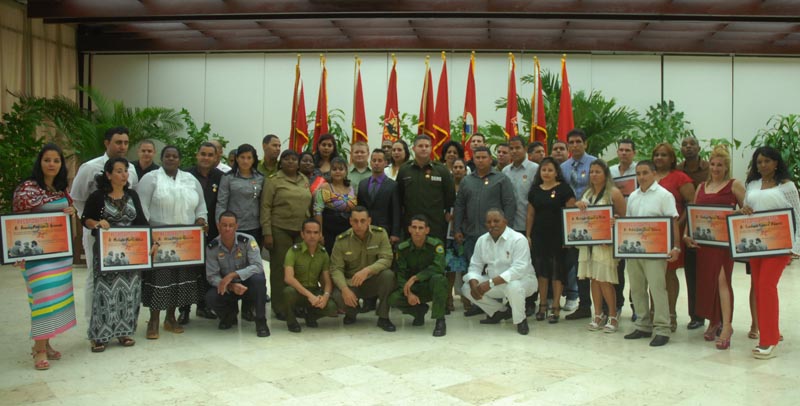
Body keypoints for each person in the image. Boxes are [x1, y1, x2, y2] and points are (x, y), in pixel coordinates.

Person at [12, 144, 77, 370]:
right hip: (36, 256)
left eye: (56, 161)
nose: (52, 164)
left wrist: (71, 211)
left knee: (56, 299)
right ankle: (38, 349)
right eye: (47, 160)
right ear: (40, 162)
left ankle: (46, 342)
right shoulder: (26, 190)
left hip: (59, 253)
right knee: (43, 299)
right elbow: (17, 224)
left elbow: (67, 214)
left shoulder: (61, 190)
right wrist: (16, 253)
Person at [137, 145, 208, 339]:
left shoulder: (190, 179)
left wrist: (202, 219)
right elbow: (141, 208)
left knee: (179, 280)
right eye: (167, 156)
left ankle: (170, 317)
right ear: (161, 158)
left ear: (180, 160)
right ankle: (153, 320)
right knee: (160, 279)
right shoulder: (150, 179)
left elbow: (201, 205)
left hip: (185, 240)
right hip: (159, 239)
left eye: (174, 156)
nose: (170, 159)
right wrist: (148, 233)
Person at [71, 127, 139, 321]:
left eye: (126, 142)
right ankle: (94, 323)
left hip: (124, 237)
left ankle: (119, 321)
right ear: (107, 143)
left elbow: (132, 200)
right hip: (96, 233)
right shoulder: (90, 167)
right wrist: (93, 221)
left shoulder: (131, 169)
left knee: (122, 277)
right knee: (96, 277)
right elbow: (77, 198)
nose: (122, 146)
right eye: (118, 142)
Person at [81, 157, 149, 352]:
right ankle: (99, 336)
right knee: (104, 292)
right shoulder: (98, 197)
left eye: (125, 170)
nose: (123, 174)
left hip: (131, 254)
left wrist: (150, 243)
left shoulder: (132, 196)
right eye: (118, 171)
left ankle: (124, 331)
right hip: (106, 254)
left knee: (130, 292)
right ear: (108, 174)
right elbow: (86, 219)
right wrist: (97, 224)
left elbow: (141, 222)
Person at [740, 146, 800, 359]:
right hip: (756, 245)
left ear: (776, 163)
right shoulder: (753, 185)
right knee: (759, 288)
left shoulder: (787, 186)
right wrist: (743, 210)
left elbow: (798, 217)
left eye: (766, 161)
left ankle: (768, 340)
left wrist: (796, 247)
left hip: (779, 246)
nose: (762, 165)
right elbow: (746, 210)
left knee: (766, 287)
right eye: (759, 162)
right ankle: (771, 330)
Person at [683, 145, 745, 350]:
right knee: (707, 283)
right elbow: (693, 214)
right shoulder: (701, 187)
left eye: (720, 165)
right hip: (704, 244)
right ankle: (713, 321)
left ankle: (727, 326)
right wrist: (686, 235)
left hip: (723, 245)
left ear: (726, 167)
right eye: (713, 164)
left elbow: (747, 212)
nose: (716, 168)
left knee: (722, 281)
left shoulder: (734, 185)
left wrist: (732, 215)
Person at [624, 160, 681, 347]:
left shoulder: (665, 195)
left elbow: (673, 222)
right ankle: (642, 325)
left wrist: (676, 247)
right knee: (637, 288)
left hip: (657, 251)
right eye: (638, 173)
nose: (641, 177)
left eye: (645, 173)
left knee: (657, 289)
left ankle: (662, 328)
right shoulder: (632, 196)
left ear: (654, 174)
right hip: (635, 251)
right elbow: (629, 224)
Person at [463, 208, 537, 335]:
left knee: (514, 286)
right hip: (496, 283)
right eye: (489, 222)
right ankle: (500, 312)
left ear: (505, 221)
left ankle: (520, 320)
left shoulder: (518, 239)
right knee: (466, 288)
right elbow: (475, 266)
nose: (492, 225)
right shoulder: (482, 240)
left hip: (524, 281)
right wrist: (474, 284)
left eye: (496, 221)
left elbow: (518, 270)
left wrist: (490, 283)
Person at [260, 149, 312, 320]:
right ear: (281, 162)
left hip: (300, 230)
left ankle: (296, 304)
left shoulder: (304, 179)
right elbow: (265, 207)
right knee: (280, 268)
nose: (291, 162)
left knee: (299, 268)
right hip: (279, 228)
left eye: (294, 159)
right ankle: (280, 306)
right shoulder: (273, 180)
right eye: (287, 159)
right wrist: (267, 232)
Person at [215, 143, 265, 322]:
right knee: (229, 267)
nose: (245, 161)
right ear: (236, 159)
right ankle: (230, 310)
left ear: (254, 160)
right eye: (242, 157)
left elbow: (263, 204)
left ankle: (248, 308)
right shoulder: (228, 178)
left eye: (249, 158)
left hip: (253, 228)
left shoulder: (260, 178)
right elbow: (221, 203)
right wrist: (221, 226)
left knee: (250, 270)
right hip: (232, 229)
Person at [576, 160, 626, 333]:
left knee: (605, 280)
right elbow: (579, 217)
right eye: (591, 172)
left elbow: (623, 217)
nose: (594, 175)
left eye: (598, 171)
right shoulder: (587, 193)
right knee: (593, 279)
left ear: (605, 174)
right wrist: (578, 206)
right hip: (588, 243)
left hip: (606, 244)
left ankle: (612, 315)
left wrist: (616, 220)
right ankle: (597, 314)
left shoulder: (613, 192)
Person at [652, 142, 696, 332]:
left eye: (664, 155)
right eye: (657, 155)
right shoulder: (649, 176)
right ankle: (655, 312)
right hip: (651, 235)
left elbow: (691, 203)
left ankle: (670, 313)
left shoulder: (680, 177)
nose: (659, 158)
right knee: (652, 274)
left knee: (668, 274)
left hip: (673, 234)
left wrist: (679, 223)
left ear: (671, 158)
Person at [330, 206, 396, 331]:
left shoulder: (380, 234)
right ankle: (352, 312)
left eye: (362, 220)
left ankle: (383, 317)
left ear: (369, 221)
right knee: (337, 295)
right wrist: (344, 289)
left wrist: (367, 271)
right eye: (355, 221)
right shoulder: (341, 240)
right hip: (352, 284)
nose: (359, 224)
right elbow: (336, 269)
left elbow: (387, 259)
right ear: (350, 221)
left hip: (372, 281)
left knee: (388, 276)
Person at [526, 157, 576, 323]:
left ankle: (555, 307)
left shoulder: (564, 189)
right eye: (543, 170)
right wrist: (528, 234)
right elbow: (531, 214)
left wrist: (568, 237)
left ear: (556, 172)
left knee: (557, 271)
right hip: (539, 236)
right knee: (541, 271)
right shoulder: (534, 190)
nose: (546, 173)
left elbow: (571, 215)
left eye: (550, 170)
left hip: (558, 236)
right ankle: (542, 306)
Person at [205, 211, 269, 337]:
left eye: (231, 225)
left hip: (247, 284)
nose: (227, 229)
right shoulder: (213, 247)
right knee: (210, 297)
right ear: (218, 226)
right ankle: (229, 316)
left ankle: (261, 321)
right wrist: (231, 286)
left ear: (236, 227)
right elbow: (211, 276)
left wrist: (233, 275)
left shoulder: (248, 241)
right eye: (224, 225)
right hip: (228, 287)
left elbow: (258, 266)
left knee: (259, 280)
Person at [454, 146, 516, 266]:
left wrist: (506, 229)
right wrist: (457, 229)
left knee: (494, 269)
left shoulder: (502, 179)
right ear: (473, 160)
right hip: (471, 235)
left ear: (490, 159)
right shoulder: (466, 181)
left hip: (495, 234)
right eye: (477, 158)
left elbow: (509, 204)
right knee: (473, 270)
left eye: (484, 157)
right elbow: (459, 206)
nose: (480, 160)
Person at [388, 215, 448, 337]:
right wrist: (408, 293)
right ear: (409, 229)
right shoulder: (402, 248)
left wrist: (416, 277)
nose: (417, 231)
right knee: (393, 299)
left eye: (421, 228)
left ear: (427, 230)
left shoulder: (436, 245)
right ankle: (418, 311)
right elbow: (401, 273)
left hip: (430, 286)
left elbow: (439, 267)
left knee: (440, 279)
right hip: (413, 288)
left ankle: (440, 320)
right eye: (414, 227)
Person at [186, 142, 225, 320]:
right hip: (188, 231)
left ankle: (204, 306)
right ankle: (184, 311)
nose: (206, 158)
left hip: (212, 231)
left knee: (208, 270)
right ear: (197, 155)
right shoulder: (186, 176)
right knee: (188, 271)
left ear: (216, 157)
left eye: (210, 155)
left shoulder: (221, 177)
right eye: (203, 154)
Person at [560, 129, 597, 320]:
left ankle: (606, 307)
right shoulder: (564, 167)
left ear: (585, 143)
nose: (574, 146)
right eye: (571, 142)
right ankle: (584, 306)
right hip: (573, 224)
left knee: (598, 265)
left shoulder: (595, 163)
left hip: (594, 222)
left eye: (578, 142)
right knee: (579, 265)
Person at [676, 136, 709, 330]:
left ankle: (714, 315)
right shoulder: (678, 170)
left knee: (711, 274)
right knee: (692, 273)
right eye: (684, 145)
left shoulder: (708, 169)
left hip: (709, 225)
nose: (688, 148)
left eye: (692, 144)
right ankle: (695, 315)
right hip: (686, 227)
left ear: (699, 147)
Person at [282, 219, 338, 333]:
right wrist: (309, 296)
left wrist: (325, 297)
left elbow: (327, 281)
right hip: (298, 291)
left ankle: (311, 316)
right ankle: (291, 321)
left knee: (331, 307)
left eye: (316, 232)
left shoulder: (323, 253)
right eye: (308, 232)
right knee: (288, 292)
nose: (312, 236)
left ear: (320, 235)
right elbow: (288, 278)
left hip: (314, 290)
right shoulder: (293, 251)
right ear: (302, 234)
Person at [397, 135, 455, 242]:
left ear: (431, 148)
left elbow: (450, 197)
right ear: (414, 149)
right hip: (411, 226)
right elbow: (398, 197)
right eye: (420, 146)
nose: (424, 148)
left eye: (427, 146)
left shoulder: (441, 170)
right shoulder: (405, 170)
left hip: (435, 225)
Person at [357, 149, 401, 245]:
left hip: (384, 230)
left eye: (380, 161)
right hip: (365, 229)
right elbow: (359, 208)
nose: (376, 163)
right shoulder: (363, 184)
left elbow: (396, 211)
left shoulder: (392, 185)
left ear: (385, 163)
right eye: (374, 160)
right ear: (370, 162)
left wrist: (395, 233)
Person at [314, 157, 357, 254]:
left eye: (341, 169)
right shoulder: (324, 187)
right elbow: (318, 211)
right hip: (329, 229)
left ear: (346, 171)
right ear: (330, 171)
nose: (337, 172)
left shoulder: (351, 188)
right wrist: (319, 233)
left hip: (347, 229)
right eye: (334, 169)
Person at [446, 158, 470, 314]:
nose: (458, 170)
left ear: (466, 170)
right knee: (451, 267)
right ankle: (448, 297)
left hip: (466, 230)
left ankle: (467, 297)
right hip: (449, 231)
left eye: (461, 167)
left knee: (467, 267)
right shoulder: (447, 186)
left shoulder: (469, 185)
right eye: (455, 167)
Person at [503, 136, 539, 234]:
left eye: (518, 148)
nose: (514, 151)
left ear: (525, 149)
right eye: (511, 148)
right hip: (509, 225)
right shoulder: (505, 171)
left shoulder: (535, 169)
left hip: (530, 224)